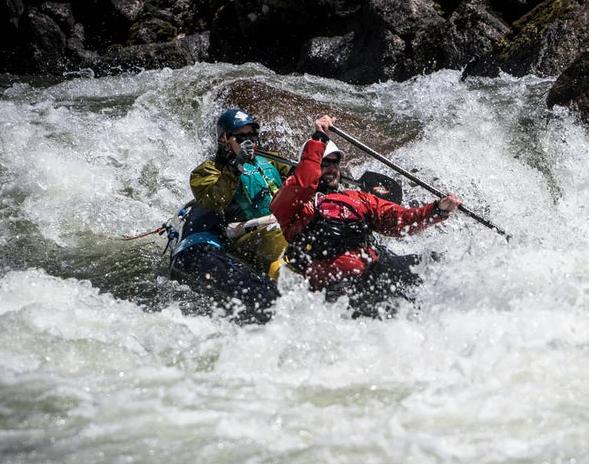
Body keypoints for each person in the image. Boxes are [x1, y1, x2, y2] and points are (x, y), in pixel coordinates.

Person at [270, 115, 463, 316]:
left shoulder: (356, 198)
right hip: (336, 286)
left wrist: (437, 210)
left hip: (374, 268)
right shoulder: (294, 206)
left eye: (335, 164)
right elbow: (303, 183)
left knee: (435, 264)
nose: (332, 169)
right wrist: (319, 138)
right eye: (325, 163)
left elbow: (400, 220)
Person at [189, 108, 291, 275]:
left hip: (281, 225)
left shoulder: (272, 160)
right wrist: (236, 166)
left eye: (251, 135)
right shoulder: (207, 171)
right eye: (241, 137)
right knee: (276, 234)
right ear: (224, 139)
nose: (248, 142)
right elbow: (214, 200)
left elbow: (301, 180)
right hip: (245, 238)